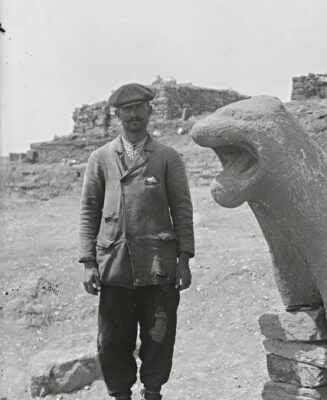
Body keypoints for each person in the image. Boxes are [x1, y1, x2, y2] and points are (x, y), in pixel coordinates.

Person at [78, 83, 195, 400]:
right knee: (113, 336)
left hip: (157, 263)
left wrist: (184, 258)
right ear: (117, 115)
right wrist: (89, 262)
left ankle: (153, 391)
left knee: (159, 333)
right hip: (114, 264)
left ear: (150, 111)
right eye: (126, 109)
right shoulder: (101, 159)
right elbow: (89, 210)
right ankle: (120, 394)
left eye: (139, 108)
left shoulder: (168, 158)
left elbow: (182, 208)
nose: (133, 115)